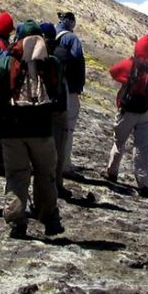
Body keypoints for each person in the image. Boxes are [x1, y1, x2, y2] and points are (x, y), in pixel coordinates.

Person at [0, 20, 65, 239]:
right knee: (45, 174)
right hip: (42, 129)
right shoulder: (51, 62)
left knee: (17, 175)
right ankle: (50, 219)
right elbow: (59, 94)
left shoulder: (7, 62)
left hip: (11, 130)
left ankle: (18, 222)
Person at [104, 34, 148, 194]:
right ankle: (144, 184)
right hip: (147, 112)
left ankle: (111, 173)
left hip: (127, 111)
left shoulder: (129, 64)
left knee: (119, 142)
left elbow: (113, 71)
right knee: (143, 148)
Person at [41, 21, 72, 198]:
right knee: (59, 148)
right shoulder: (62, 52)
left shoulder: (39, 53)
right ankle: (57, 184)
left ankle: (45, 183)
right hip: (60, 105)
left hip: (43, 105)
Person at [54, 10, 86, 181]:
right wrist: (77, 86)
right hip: (67, 87)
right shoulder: (72, 39)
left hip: (49, 86)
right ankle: (64, 165)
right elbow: (77, 61)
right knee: (67, 128)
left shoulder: (51, 33)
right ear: (71, 22)